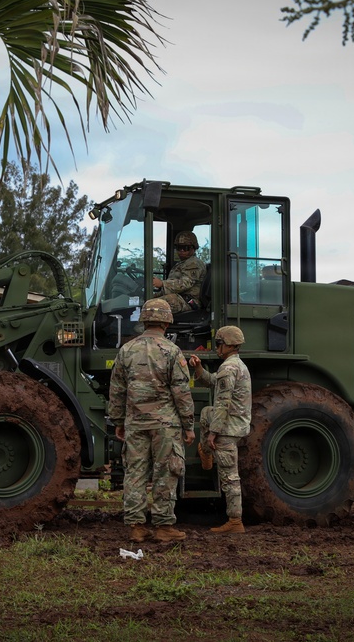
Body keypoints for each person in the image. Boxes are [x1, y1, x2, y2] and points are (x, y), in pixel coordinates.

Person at [108, 298, 196, 542]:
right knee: (166, 473)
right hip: (165, 426)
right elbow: (181, 391)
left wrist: (118, 422)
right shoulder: (172, 351)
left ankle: (136, 526)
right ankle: (163, 526)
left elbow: (117, 390)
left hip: (135, 423)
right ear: (167, 322)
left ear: (144, 320)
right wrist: (188, 425)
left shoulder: (126, 350)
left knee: (135, 473)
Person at [188, 325, 252, 534]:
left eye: (219, 344)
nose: (217, 348)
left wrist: (213, 434)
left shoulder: (228, 368)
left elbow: (223, 402)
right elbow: (213, 382)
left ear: (229, 345)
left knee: (229, 476)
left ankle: (235, 521)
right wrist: (198, 368)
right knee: (207, 411)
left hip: (227, 429)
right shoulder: (237, 365)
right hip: (235, 424)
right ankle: (206, 453)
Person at [153, 231, 206, 313]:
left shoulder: (194, 263)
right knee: (147, 300)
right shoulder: (182, 263)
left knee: (154, 306)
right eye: (178, 247)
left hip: (189, 301)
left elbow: (185, 283)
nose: (181, 251)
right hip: (179, 297)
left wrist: (162, 284)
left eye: (185, 248)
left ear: (193, 248)